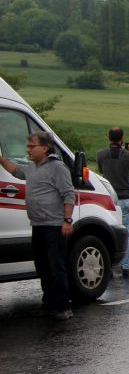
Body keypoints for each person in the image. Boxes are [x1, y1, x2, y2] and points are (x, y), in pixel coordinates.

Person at [0, 132, 75, 320]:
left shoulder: (57, 167)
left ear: (45, 147)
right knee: (42, 266)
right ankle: (49, 304)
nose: (28, 149)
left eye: (32, 146)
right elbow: (15, 171)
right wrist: (0, 158)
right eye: (28, 146)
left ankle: (63, 306)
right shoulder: (32, 168)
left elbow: (68, 195)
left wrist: (67, 221)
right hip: (38, 225)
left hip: (54, 226)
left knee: (56, 266)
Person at [96, 126, 129, 277]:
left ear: (108, 138)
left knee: (107, 234)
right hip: (126, 198)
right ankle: (126, 266)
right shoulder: (128, 156)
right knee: (127, 234)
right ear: (122, 138)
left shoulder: (101, 155)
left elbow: (102, 171)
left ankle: (108, 268)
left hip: (110, 200)